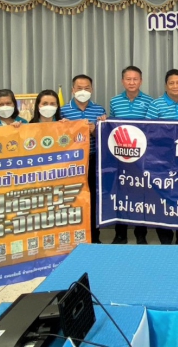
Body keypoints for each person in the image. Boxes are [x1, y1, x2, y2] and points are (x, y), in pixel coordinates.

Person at [145, 69, 178, 245]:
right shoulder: (156, 105)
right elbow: (147, 130)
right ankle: (165, 239)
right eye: (171, 83)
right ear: (166, 85)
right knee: (163, 198)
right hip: (161, 159)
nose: (175, 86)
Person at [109, 66, 154, 245]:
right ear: (122, 81)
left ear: (141, 81)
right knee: (120, 194)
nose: (132, 82)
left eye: (135, 79)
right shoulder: (114, 101)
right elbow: (111, 127)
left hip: (142, 155)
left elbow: (151, 127)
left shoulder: (150, 101)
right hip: (120, 156)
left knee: (140, 194)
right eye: (128, 79)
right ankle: (120, 233)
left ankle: (140, 233)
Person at [61, 75, 107, 244]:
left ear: (92, 90)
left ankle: (95, 237)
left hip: (93, 160)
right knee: (72, 199)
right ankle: (71, 237)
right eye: (79, 88)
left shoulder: (99, 110)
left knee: (93, 199)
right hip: (71, 163)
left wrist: (95, 130)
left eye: (86, 88)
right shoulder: (63, 111)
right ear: (72, 90)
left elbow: (105, 138)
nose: (83, 91)